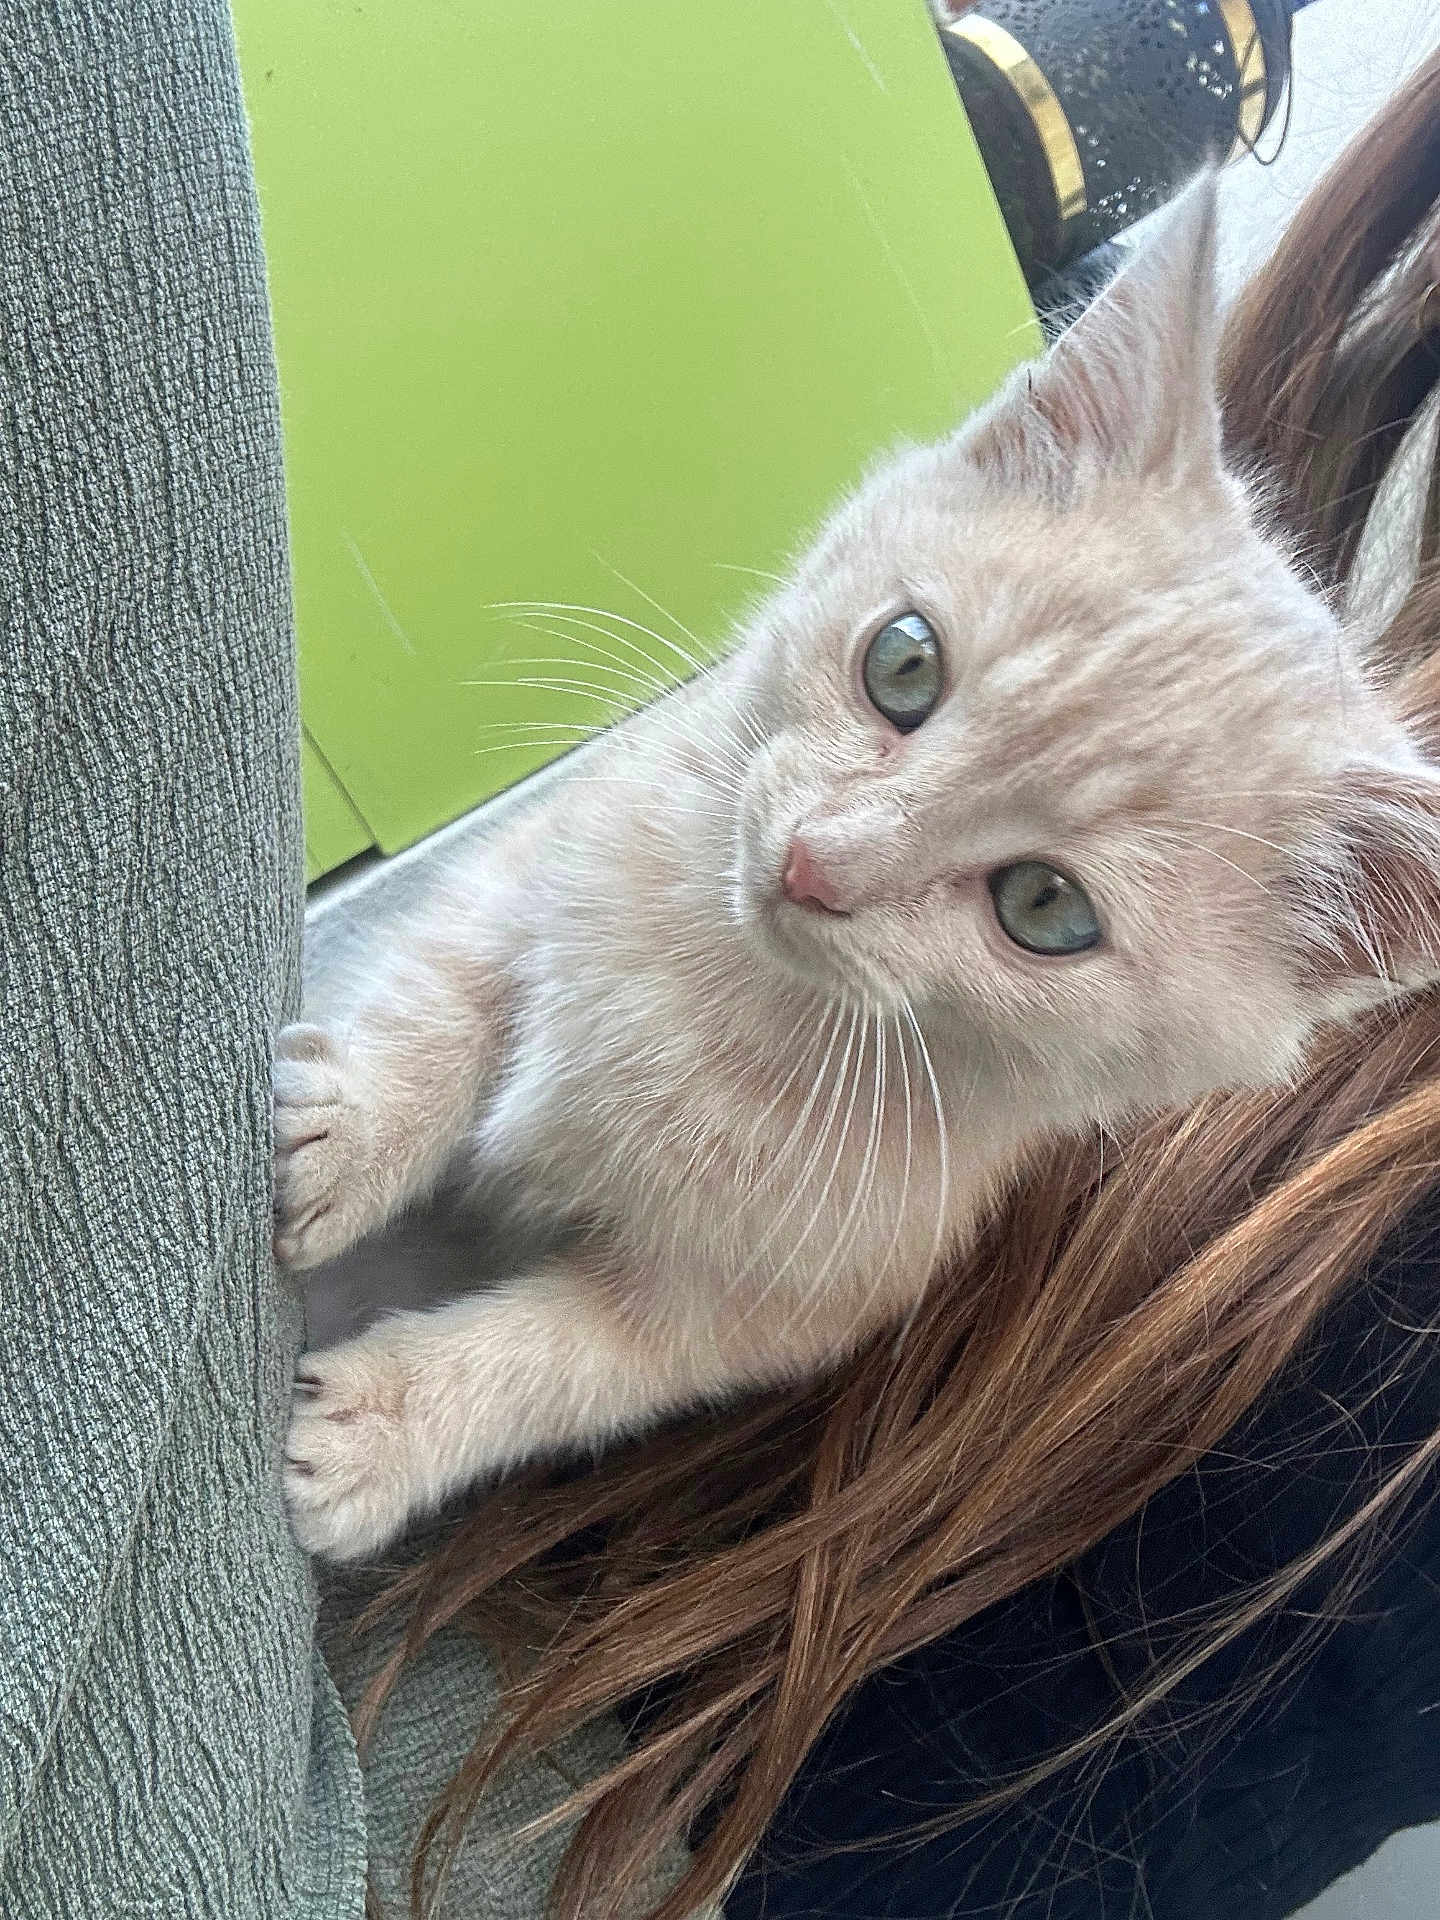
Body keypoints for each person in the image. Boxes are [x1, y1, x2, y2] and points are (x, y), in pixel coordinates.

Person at [352, 48, 1440, 1920]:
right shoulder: (1084, 540)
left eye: (1037, 903)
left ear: (1328, 964)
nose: (824, 856)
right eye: (908, 671)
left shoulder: (1246, 999)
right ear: (1015, 434)